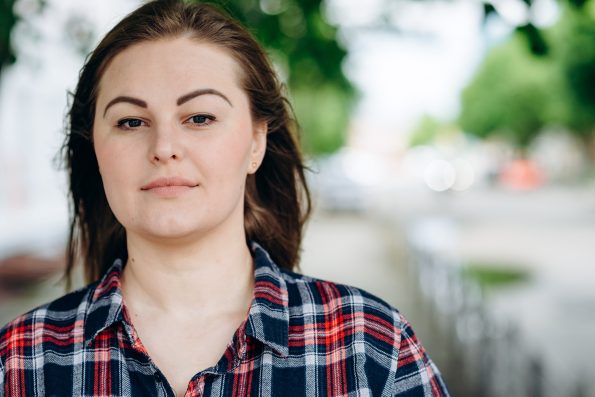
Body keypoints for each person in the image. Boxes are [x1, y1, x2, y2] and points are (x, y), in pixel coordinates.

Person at [0, 1, 450, 396]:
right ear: (95, 149)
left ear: (256, 142)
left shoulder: (369, 348)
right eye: (131, 122)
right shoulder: (19, 363)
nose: (163, 146)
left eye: (199, 117)